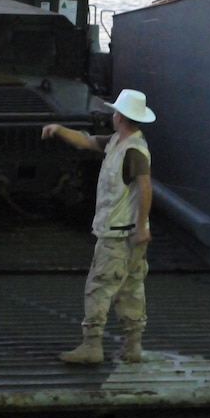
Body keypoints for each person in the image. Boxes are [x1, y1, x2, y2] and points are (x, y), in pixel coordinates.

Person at [42, 89, 155, 364]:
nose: (112, 116)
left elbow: (145, 188)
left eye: (115, 112)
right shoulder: (118, 142)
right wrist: (59, 129)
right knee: (130, 288)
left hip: (118, 235)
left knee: (99, 287)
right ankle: (132, 346)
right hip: (128, 235)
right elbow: (85, 141)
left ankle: (92, 345)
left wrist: (141, 227)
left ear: (120, 117)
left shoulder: (132, 151)